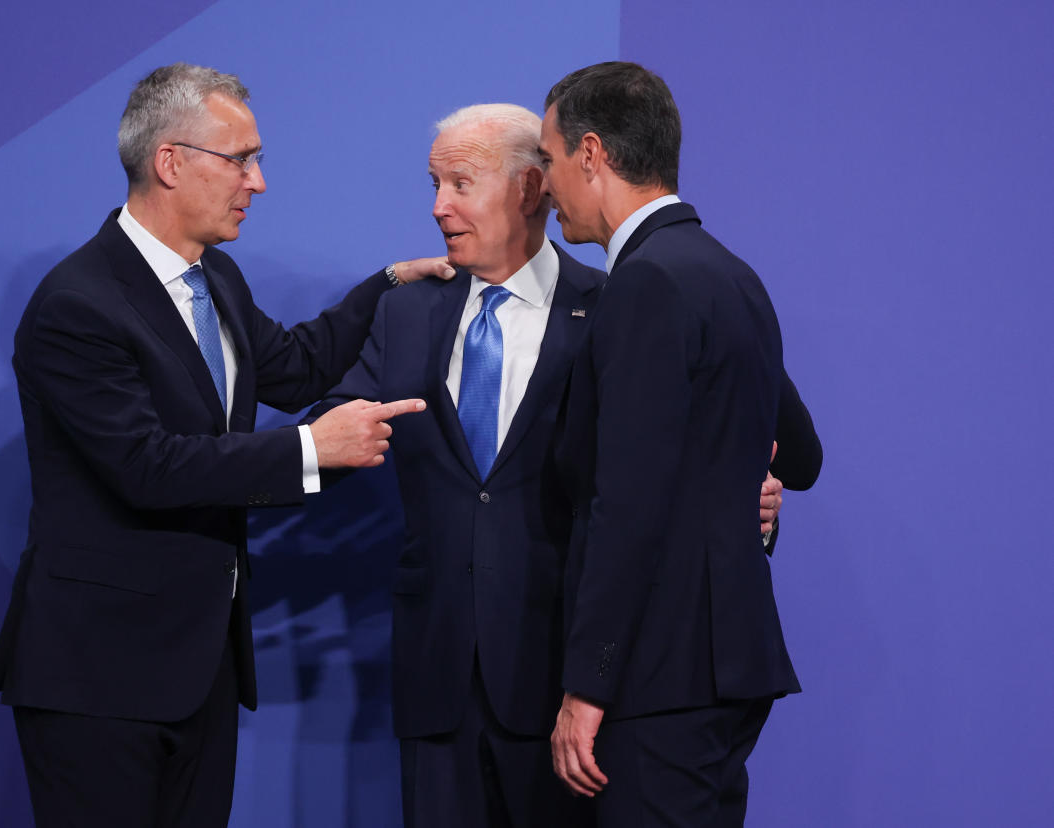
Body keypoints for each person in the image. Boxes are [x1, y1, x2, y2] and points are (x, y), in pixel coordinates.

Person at [0, 62, 445, 827]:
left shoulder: (216, 277)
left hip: (200, 671)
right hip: (99, 680)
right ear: (170, 161)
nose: (257, 183)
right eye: (242, 159)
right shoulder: (77, 304)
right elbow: (146, 465)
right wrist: (309, 450)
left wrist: (388, 282)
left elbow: (294, 368)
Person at [313, 104, 798, 827]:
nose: (437, 206)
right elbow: (329, 439)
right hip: (438, 678)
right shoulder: (405, 311)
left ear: (532, 187)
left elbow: (736, 434)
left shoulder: (622, 300)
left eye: (459, 183)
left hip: (568, 683)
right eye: (433, 183)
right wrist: (282, 464)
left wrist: (746, 501)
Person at [539, 61, 823, 827]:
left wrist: (589, 684)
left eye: (550, 158)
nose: (545, 183)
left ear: (591, 154)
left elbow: (627, 502)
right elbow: (800, 454)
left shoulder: (646, 285)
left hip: (658, 674)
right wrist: (738, 490)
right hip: (726, 666)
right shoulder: (731, 275)